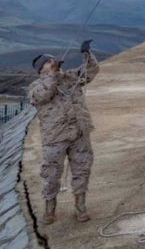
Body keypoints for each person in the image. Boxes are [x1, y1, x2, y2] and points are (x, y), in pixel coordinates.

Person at [28, 39, 99, 224]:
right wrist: (53, 75)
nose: (53, 63)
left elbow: (90, 71)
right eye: (48, 62)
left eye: (53, 61)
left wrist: (86, 54)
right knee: (51, 174)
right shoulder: (35, 87)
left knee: (82, 170)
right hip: (55, 138)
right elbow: (43, 95)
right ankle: (50, 209)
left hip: (79, 133)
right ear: (41, 69)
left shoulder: (70, 77)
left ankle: (80, 207)